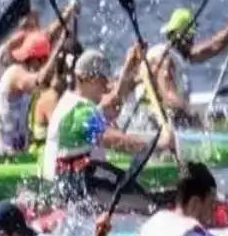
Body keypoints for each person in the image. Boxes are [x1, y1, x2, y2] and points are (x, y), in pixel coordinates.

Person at [38, 51, 171, 194]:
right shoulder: (79, 112)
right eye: (104, 81)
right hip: (69, 189)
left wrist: (130, 66)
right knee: (143, 197)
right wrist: (157, 146)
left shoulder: (72, 102)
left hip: (71, 182)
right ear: (91, 79)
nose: (107, 86)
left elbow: (115, 100)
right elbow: (113, 140)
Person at [137, 6, 228, 126]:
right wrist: (194, 116)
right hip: (153, 122)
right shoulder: (164, 59)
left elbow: (210, 48)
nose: (193, 41)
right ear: (181, 38)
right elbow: (169, 96)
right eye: (190, 38)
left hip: (167, 118)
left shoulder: (177, 53)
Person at [0, 0, 76, 105]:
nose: (32, 31)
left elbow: (52, 31)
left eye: (34, 27)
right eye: (27, 27)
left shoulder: (32, 41)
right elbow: (39, 82)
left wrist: (70, 10)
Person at [0, 31, 54, 156]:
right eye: (43, 61)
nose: (44, 65)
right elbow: (38, 82)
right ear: (35, 59)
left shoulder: (25, 71)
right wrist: (56, 55)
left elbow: (48, 34)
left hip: (18, 151)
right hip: (5, 154)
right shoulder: (16, 74)